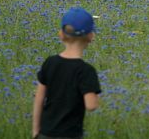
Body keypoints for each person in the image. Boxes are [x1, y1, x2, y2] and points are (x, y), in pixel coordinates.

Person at [32, 8, 101, 138]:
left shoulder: (50, 63)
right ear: (91, 36)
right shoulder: (86, 71)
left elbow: (39, 98)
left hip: (45, 133)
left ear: (61, 34)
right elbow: (91, 105)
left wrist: (36, 131)